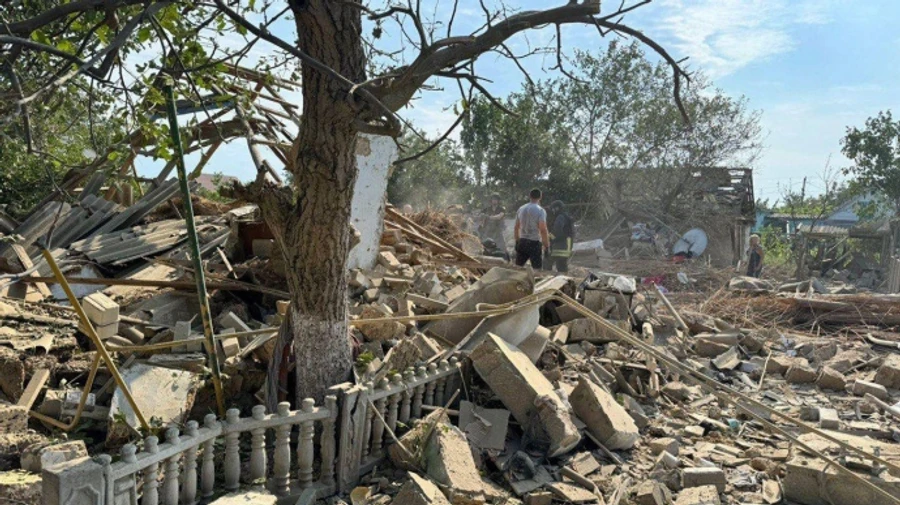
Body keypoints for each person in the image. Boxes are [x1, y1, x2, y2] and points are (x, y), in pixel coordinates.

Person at [514, 188, 550, 269]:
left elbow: (516, 227)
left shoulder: (521, 209)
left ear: (529, 196)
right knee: (537, 271)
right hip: (534, 243)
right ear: (540, 197)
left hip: (522, 242)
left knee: (517, 269)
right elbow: (543, 230)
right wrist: (546, 246)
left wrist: (517, 242)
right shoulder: (541, 210)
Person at [545, 200, 574, 272]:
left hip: (560, 247)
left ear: (556, 208)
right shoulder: (567, 217)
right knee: (562, 268)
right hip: (567, 247)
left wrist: (549, 238)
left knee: (546, 264)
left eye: (552, 209)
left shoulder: (560, 217)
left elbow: (556, 231)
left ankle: (547, 279)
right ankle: (565, 281)